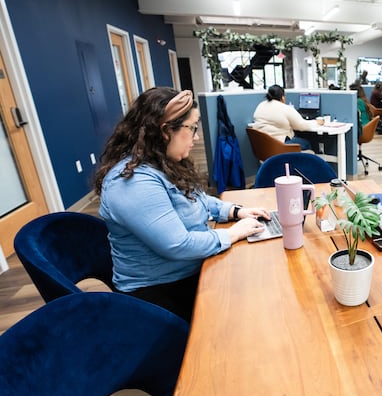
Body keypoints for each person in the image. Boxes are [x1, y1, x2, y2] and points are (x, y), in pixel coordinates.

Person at [94, 87, 269, 322]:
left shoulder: (163, 162)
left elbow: (197, 198)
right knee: (247, 310)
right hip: (157, 296)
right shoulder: (132, 182)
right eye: (192, 127)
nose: (196, 137)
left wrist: (235, 211)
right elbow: (178, 245)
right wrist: (234, 234)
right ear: (166, 132)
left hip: (189, 271)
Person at [251, 84, 320, 151]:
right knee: (306, 143)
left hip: (263, 146)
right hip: (280, 145)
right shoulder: (285, 108)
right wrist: (316, 122)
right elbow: (302, 126)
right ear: (283, 97)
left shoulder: (261, 105)